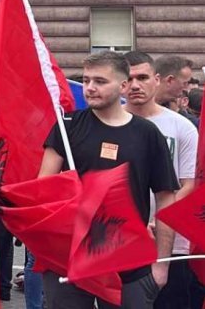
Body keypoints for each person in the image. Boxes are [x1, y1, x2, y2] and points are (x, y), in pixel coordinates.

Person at [39, 51, 179, 308]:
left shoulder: (147, 134)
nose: (90, 88)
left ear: (123, 86)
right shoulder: (67, 126)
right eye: (86, 80)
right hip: (70, 257)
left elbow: (166, 198)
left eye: (100, 81)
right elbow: (43, 189)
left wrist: (161, 263)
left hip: (127, 260)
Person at [123, 51, 198, 309]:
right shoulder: (108, 124)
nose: (135, 85)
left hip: (171, 243)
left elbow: (188, 183)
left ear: (156, 80)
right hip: (120, 242)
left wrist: (161, 219)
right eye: (128, 78)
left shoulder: (182, 127)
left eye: (142, 77)